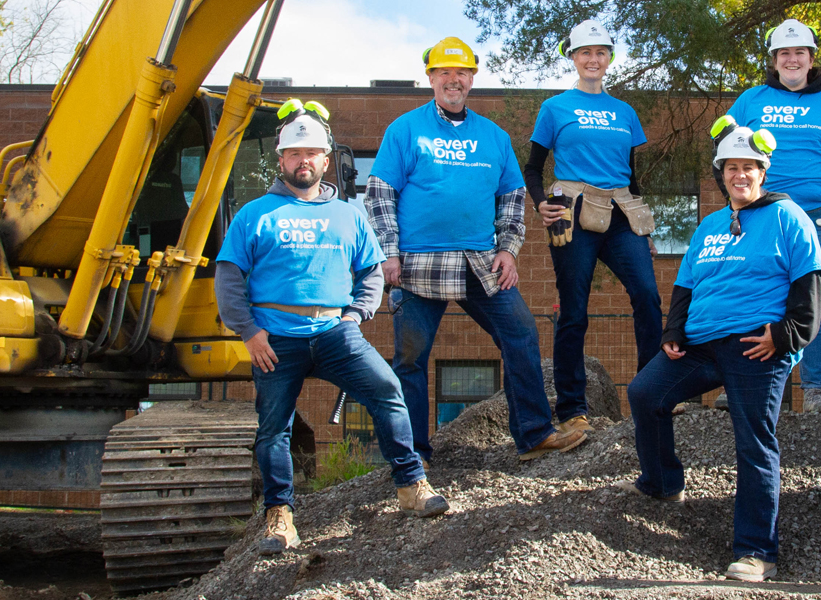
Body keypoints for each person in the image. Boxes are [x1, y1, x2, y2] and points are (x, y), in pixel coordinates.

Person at [215, 101, 450, 556]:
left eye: (313, 153)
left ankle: (411, 484)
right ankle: (280, 516)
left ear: (326, 161)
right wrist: (249, 331)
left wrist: (357, 313)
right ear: (281, 160)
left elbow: (373, 272)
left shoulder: (349, 214)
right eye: (294, 154)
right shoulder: (254, 215)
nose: (304, 161)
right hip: (274, 338)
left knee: (387, 392)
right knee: (273, 428)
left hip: (334, 332)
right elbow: (228, 278)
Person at [364, 37, 586, 464]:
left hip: (481, 262)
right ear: (430, 77)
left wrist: (510, 250)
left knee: (520, 333)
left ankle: (535, 434)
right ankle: (413, 455)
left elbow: (512, 199)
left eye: (462, 72)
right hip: (418, 265)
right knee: (410, 358)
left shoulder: (494, 136)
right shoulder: (405, 129)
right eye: (445, 72)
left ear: (471, 79)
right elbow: (379, 194)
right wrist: (388, 252)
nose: (454, 79)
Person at [620, 122, 821, 583]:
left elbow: (809, 284)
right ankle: (663, 485)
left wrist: (786, 338)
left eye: (750, 167)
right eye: (732, 167)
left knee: (753, 442)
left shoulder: (788, 217)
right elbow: (686, 284)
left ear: (763, 171)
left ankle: (757, 552)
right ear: (721, 173)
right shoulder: (710, 225)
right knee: (645, 395)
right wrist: (673, 331)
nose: (741, 175)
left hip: (756, 345)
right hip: (699, 345)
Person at [725, 18, 821, 413]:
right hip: (764, 212)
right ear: (774, 60)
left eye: (799, 53)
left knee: (814, 304)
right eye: (784, 53)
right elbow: (724, 152)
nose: (791, 59)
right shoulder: (751, 100)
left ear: (810, 59)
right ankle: (744, 384)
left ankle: (814, 392)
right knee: (755, 297)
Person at [524, 19, 661, 432]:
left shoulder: (625, 112)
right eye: (585, 52)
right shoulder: (555, 108)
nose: (593, 59)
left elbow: (631, 174)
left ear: (610, 59)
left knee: (648, 298)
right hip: (573, 211)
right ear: (573, 57)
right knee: (574, 312)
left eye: (601, 52)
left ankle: (654, 394)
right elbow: (532, 167)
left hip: (621, 213)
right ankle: (571, 410)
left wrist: (646, 229)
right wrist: (540, 205)